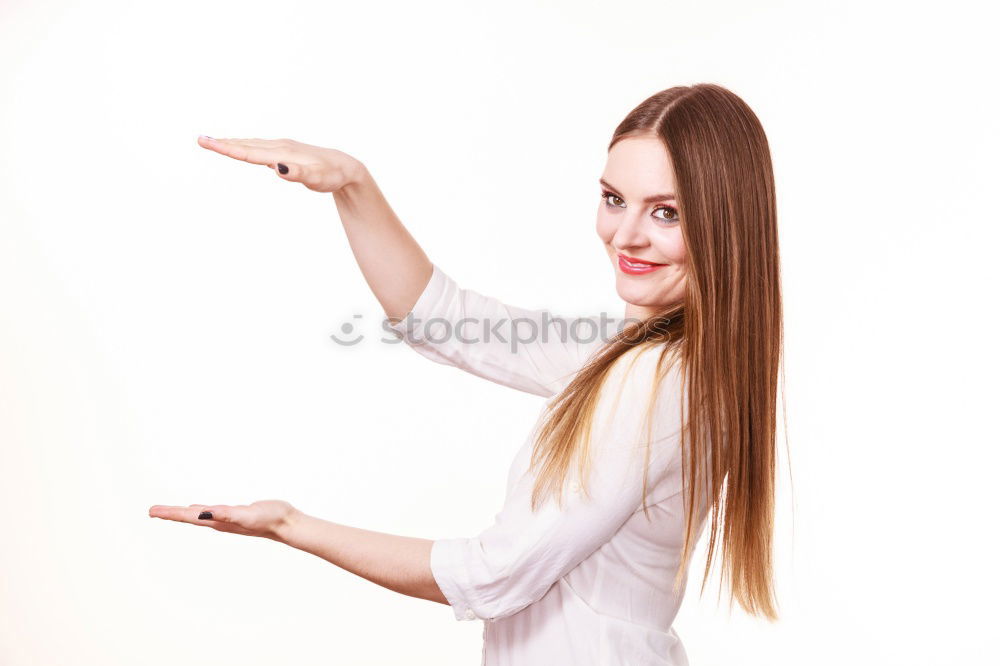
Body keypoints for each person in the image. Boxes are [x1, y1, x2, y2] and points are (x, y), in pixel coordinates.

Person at [149, 82, 784, 665]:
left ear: (724, 222)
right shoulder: (645, 356)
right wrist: (351, 183)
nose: (625, 235)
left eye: (665, 212)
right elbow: (445, 320)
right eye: (614, 200)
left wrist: (289, 525)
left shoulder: (653, 382)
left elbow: (491, 577)